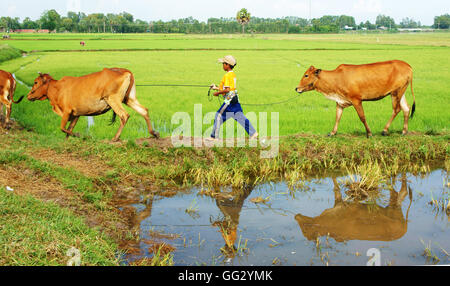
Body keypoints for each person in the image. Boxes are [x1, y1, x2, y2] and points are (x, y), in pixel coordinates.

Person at [206, 55, 258, 142]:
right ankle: (253, 133)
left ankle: (214, 137)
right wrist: (215, 87)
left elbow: (226, 90)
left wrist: (217, 93)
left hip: (229, 100)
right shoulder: (232, 74)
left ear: (227, 65)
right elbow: (227, 88)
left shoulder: (227, 76)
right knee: (240, 116)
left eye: (223, 63)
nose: (222, 65)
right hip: (234, 98)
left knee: (218, 116)